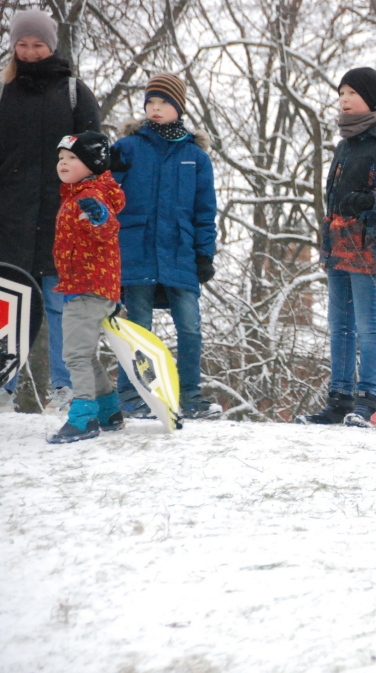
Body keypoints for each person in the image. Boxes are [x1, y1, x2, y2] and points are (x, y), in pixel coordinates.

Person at [301, 67, 376, 427]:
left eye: (351, 93)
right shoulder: (343, 144)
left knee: (368, 326)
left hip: (371, 249)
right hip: (338, 248)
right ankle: (338, 399)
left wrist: (372, 201)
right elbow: (332, 201)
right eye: (341, 93)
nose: (344, 99)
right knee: (339, 326)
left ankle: (367, 399)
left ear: (370, 99)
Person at [0, 9, 101, 414]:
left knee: (63, 304)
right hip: (10, 216)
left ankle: (67, 388)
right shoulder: (4, 93)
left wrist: (89, 203)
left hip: (65, 217)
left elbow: (96, 155)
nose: (30, 51)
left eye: (37, 44)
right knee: (7, 302)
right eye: (22, 44)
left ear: (51, 45)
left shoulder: (75, 92)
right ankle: (5, 386)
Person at [110, 73, 221, 420]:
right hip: (136, 251)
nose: (156, 109)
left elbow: (205, 211)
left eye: (164, 104)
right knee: (138, 326)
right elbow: (108, 196)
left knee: (190, 327)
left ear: (178, 108)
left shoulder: (196, 157)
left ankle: (190, 396)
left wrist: (205, 254)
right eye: (151, 103)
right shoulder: (127, 149)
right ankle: (133, 394)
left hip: (180, 254)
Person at [47, 132, 128, 443]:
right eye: (61, 158)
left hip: (88, 287)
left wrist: (99, 218)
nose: (64, 163)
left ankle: (83, 417)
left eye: (72, 158)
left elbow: (106, 227)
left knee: (75, 356)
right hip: (89, 286)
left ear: (92, 164)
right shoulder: (77, 192)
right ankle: (109, 410)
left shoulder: (89, 195)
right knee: (86, 354)